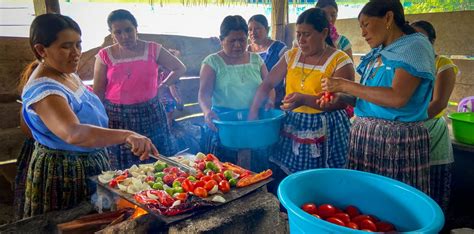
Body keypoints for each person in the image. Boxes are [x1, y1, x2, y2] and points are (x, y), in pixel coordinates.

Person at [19, 13, 158, 218]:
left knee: (101, 220)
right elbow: (73, 133)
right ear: (41, 50)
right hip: (64, 173)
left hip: (90, 162)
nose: (75, 53)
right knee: (72, 223)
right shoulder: (45, 90)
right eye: (66, 46)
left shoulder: (65, 72)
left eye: (78, 44)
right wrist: (126, 134)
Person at [321, 0, 435, 194]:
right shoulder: (379, 53)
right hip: (367, 139)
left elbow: (397, 98)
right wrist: (342, 96)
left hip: (395, 143)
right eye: (361, 27)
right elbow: (369, 98)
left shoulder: (414, 47)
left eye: (366, 24)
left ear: (388, 17)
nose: (363, 33)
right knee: (363, 201)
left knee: (391, 203)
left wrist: (345, 84)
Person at [248, 8, 354, 190]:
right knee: (287, 177)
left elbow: (342, 101)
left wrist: (304, 100)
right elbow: (267, 84)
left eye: (307, 34)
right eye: (298, 34)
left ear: (324, 33)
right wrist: (253, 111)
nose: (301, 40)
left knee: (320, 182)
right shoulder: (291, 55)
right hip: (292, 124)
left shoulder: (339, 60)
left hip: (326, 128)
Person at [93, 9, 186, 170]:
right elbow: (99, 91)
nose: (125, 36)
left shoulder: (152, 49)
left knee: (158, 160)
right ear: (111, 33)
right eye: (118, 32)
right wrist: (98, 120)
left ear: (136, 28)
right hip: (117, 117)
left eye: (129, 30)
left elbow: (179, 67)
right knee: (124, 166)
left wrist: (162, 86)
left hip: (151, 111)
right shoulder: (105, 56)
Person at [198, 15, 270, 168]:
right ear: (221, 40)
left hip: (253, 121)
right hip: (224, 125)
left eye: (242, 40)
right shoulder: (212, 62)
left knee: (256, 172)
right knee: (224, 173)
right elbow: (204, 95)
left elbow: (268, 86)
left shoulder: (256, 60)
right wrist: (206, 112)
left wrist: (269, 101)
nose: (238, 45)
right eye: (232, 41)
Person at [412, 20, 457, 211]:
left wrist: (407, 118)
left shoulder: (442, 64)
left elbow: (439, 102)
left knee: (433, 180)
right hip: (410, 130)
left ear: (432, 41)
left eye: (421, 39)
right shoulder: (407, 65)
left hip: (431, 129)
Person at [247, 14, 287, 107]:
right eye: (250, 29)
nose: (253, 32)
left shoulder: (279, 48)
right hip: (251, 102)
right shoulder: (246, 51)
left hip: (276, 101)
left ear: (267, 29)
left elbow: (288, 75)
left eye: (257, 28)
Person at [158, 49, 184, 130]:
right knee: (168, 118)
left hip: (161, 99)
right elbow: (171, 87)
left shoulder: (161, 71)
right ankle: (168, 131)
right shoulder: (170, 73)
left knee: (163, 118)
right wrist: (177, 98)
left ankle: (164, 130)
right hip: (168, 100)